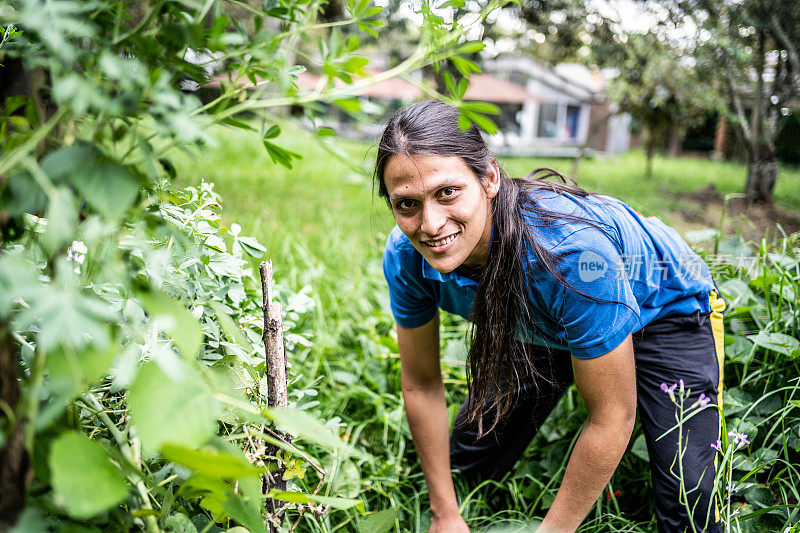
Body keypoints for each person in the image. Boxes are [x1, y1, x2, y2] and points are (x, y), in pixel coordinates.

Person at [376, 100, 726, 533]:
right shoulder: (407, 256)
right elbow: (422, 383)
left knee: (688, 499)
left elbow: (613, 417)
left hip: (667, 309)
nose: (430, 224)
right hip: (549, 318)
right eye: (407, 204)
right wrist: (444, 513)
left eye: (447, 192)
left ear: (489, 178)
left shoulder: (572, 257)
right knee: (468, 457)